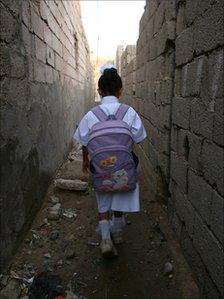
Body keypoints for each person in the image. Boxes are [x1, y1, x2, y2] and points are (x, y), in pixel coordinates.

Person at [74, 64, 147, 257]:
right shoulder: (129, 112)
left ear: (99, 91)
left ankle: (105, 239)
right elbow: (138, 138)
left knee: (103, 197)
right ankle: (118, 231)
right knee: (121, 191)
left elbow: (83, 140)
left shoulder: (91, 115)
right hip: (123, 168)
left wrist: (84, 160)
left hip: (101, 169)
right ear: (121, 90)